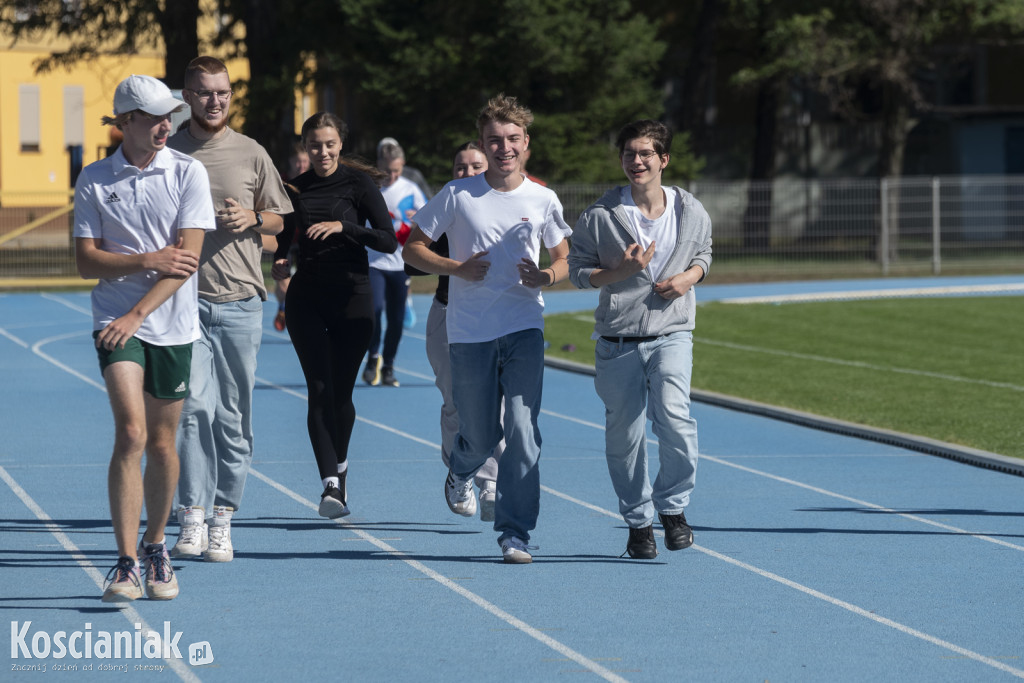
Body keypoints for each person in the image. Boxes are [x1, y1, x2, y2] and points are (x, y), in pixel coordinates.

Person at [403, 94, 572, 564]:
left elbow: (564, 259)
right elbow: (412, 250)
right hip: (470, 332)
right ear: (483, 143)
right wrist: (456, 268)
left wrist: (545, 277)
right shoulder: (458, 195)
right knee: (477, 437)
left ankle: (514, 532)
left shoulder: (542, 198)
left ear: (526, 144)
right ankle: (460, 469)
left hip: (523, 327)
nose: (504, 148)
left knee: (522, 429)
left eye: (513, 139)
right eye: (494, 140)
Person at [73, 74, 215, 601]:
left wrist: (139, 308)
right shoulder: (93, 178)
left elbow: (187, 260)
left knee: (161, 440)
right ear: (126, 122)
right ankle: (126, 560)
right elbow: (87, 261)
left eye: (168, 116)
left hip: (170, 325)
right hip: (115, 321)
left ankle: (157, 547)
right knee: (132, 433)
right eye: (155, 117)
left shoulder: (187, 172)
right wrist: (143, 261)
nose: (166, 125)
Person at [567, 119, 712, 559]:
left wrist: (688, 277)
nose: (637, 161)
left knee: (676, 420)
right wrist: (620, 273)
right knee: (625, 438)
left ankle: (672, 508)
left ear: (664, 159)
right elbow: (577, 271)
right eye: (629, 153)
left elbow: (704, 254)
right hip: (618, 340)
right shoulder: (600, 216)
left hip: (671, 333)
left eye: (646, 153)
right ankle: (637, 522)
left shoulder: (691, 209)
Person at [167, 56, 293, 563]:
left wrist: (252, 217)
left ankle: (224, 516)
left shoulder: (251, 153)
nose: (214, 100)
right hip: (185, 303)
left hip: (241, 303)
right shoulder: (169, 150)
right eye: (204, 92)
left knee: (232, 419)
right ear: (187, 95)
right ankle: (192, 515)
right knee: (194, 410)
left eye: (222, 92)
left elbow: (281, 219)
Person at [272, 112, 397, 518]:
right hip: (306, 298)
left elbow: (387, 241)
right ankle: (330, 485)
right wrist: (278, 260)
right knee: (319, 389)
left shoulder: (358, 184)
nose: (322, 151)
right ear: (304, 148)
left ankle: (340, 469)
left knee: (341, 394)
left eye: (328, 144)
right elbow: (284, 235)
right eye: (314, 145)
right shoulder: (294, 188)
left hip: (352, 299)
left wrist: (344, 228)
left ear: (340, 144)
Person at [405, 142, 502, 521]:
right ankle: (459, 470)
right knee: (456, 403)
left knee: (500, 403)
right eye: (459, 167)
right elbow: (411, 261)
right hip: (448, 313)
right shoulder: (446, 206)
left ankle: (491, 481)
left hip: (498, 319)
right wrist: (455, 265)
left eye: (475, 165)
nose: (467, 173)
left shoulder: (509, 203)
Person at [362, 140, 426, 387]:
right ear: (379, 165)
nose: (392, 175)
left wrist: (417, 218)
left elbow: (430, 218)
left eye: (397, 171)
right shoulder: (370, 187)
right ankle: (372, 357)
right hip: (374, 262)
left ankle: (388, 365)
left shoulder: (410, 189)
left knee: (396, 318)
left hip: (401, 264)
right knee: (375, 311)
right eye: (387, 170)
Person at [271, 142, 311, 332]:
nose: (301, 166)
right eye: (298, 162)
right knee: (283, 282)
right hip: (285, 240)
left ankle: (303, 314)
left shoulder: (314, 183)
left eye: (304, 161)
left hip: (307, 241)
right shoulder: (281, 183)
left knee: (306, 283)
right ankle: (282, 308)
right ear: (290, 162)